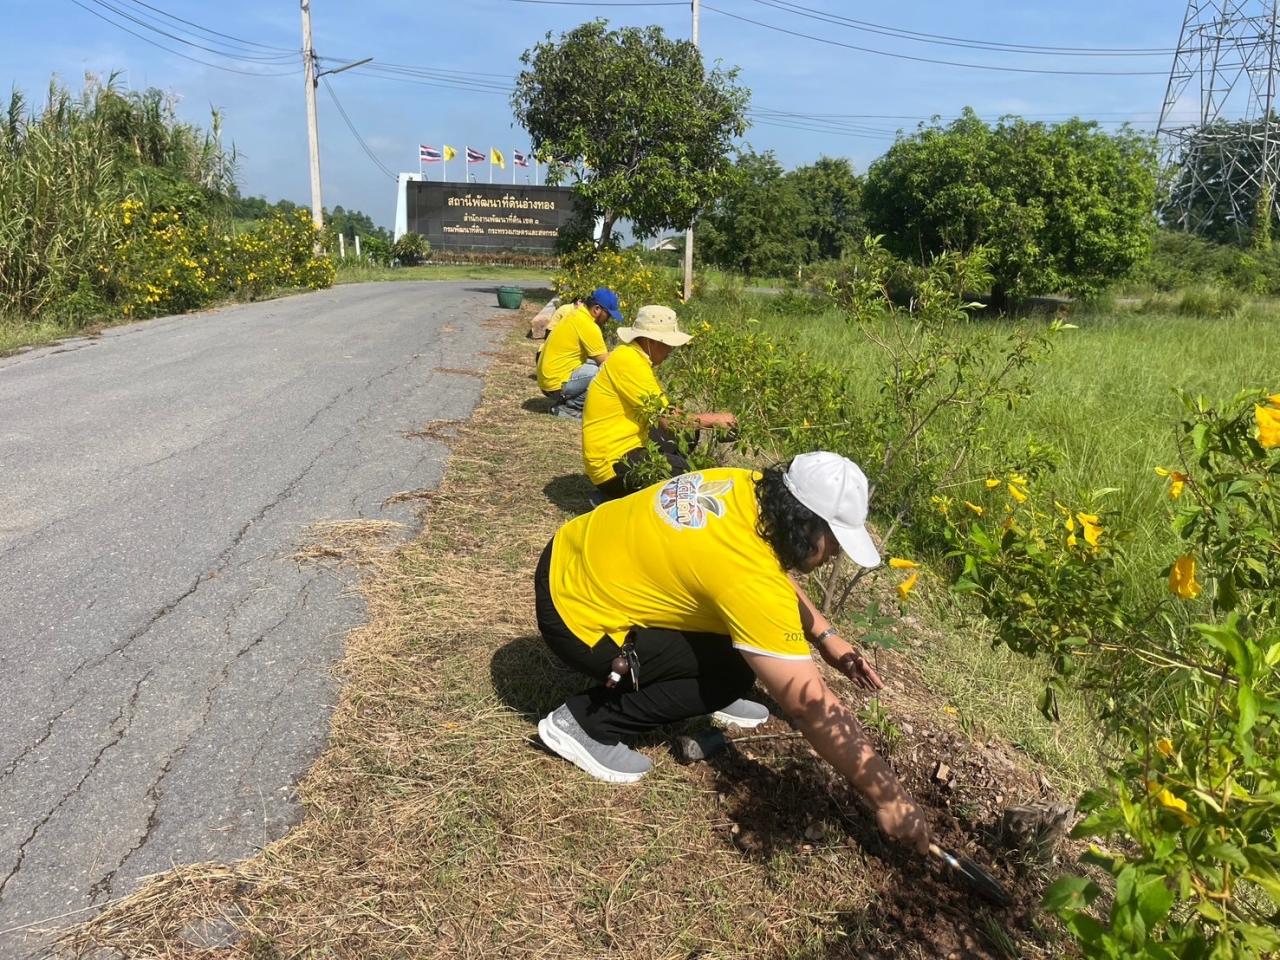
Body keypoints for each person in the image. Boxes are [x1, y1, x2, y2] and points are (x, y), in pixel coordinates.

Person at [533, 451, 931, 854]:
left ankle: (684, 684)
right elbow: (810, 706)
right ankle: (588, 723)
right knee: (734, 675)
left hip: (572, 552)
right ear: (806, 524)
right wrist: (890, 798)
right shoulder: (750, 580)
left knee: (742, 644)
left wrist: (823, 634)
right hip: (576, 617)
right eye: (835, 542)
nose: (836, 556)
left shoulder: (748, 487)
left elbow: (766, 568)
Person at [581, 305, 736, 501]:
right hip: (611, 465)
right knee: (685, 476)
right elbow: (668, 421)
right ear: (650, 341)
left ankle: (648, 492)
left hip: (624, 448)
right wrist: (716, 419)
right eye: (667, 344)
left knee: (686, 434)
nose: (671, 350)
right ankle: (618, 499)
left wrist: (693, 419)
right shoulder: (630, 362)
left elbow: (661, 408)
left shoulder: (633, 357)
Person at [535, 287, 621, 419]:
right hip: (554, 384)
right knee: (601, 372)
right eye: (608, 314)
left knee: (593, 364)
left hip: (547, 380)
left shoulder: (575, 314)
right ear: (597, 309)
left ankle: (567, 401)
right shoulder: (588, 325)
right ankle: (569, 408)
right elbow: (606, 362)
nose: (609, 319)